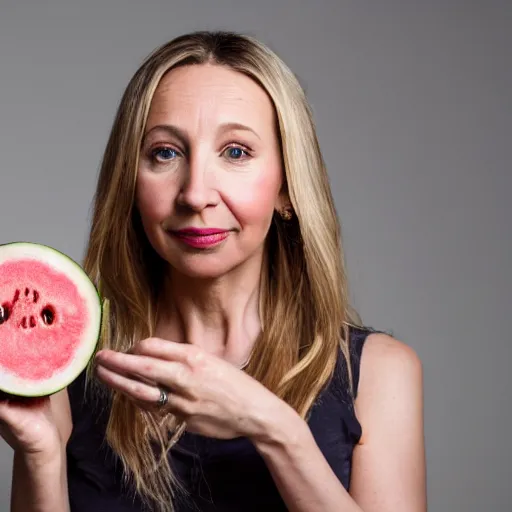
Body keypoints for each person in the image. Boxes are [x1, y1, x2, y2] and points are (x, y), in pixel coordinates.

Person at [0, 31, 426, 512]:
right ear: (130, 182)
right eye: (165, 153)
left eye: (236, 152)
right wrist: (41, 452)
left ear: (288, 188)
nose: (195, 193)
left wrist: (274, 428)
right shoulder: (70, 371)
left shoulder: (378, 373)